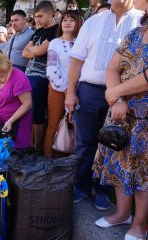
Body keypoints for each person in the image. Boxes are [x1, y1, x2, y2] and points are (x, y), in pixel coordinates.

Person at [64, 0, 144, 210]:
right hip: (89, 90)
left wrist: (121, 97)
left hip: (126, 95)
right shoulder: (94, 21)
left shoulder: (142, 20)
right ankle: (81, 186)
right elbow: (76, 61)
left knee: (113, 144)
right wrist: (71, 93)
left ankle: (102, 190)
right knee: (84, 144)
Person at [93, 6, 148, 240]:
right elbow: (112, 68)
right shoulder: (135, 33)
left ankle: (139, 224)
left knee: (146, 170)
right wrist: (118, 99)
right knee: (119, 161)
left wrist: (117, 91)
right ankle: (121, 214)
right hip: (121, 114)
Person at [44, 10, 82, 157]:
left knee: (74, 127)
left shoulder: (81, 42)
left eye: (71, 20)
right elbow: (51, 69)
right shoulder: (55, 43)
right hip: (58, 89)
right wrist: (66, 89)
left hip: (80, 90)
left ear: (78, 23)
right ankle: (48, 162)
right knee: (54, 126)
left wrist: (75, 89)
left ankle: (70, 164)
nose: (67, 22)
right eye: (64, 20)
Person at [22, 0, 58, 151]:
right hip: (28, 75)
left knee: (38, 112)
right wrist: (33, 49)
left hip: (40, 77)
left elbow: (39, 52)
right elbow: (25, 53)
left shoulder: (55, 30)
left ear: (50, 13)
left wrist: (32, 48)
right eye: (35, 17)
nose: (36, 19)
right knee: (28, 111)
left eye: (39, 16)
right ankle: (30, 145)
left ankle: (37, 148)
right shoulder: (38, 31)